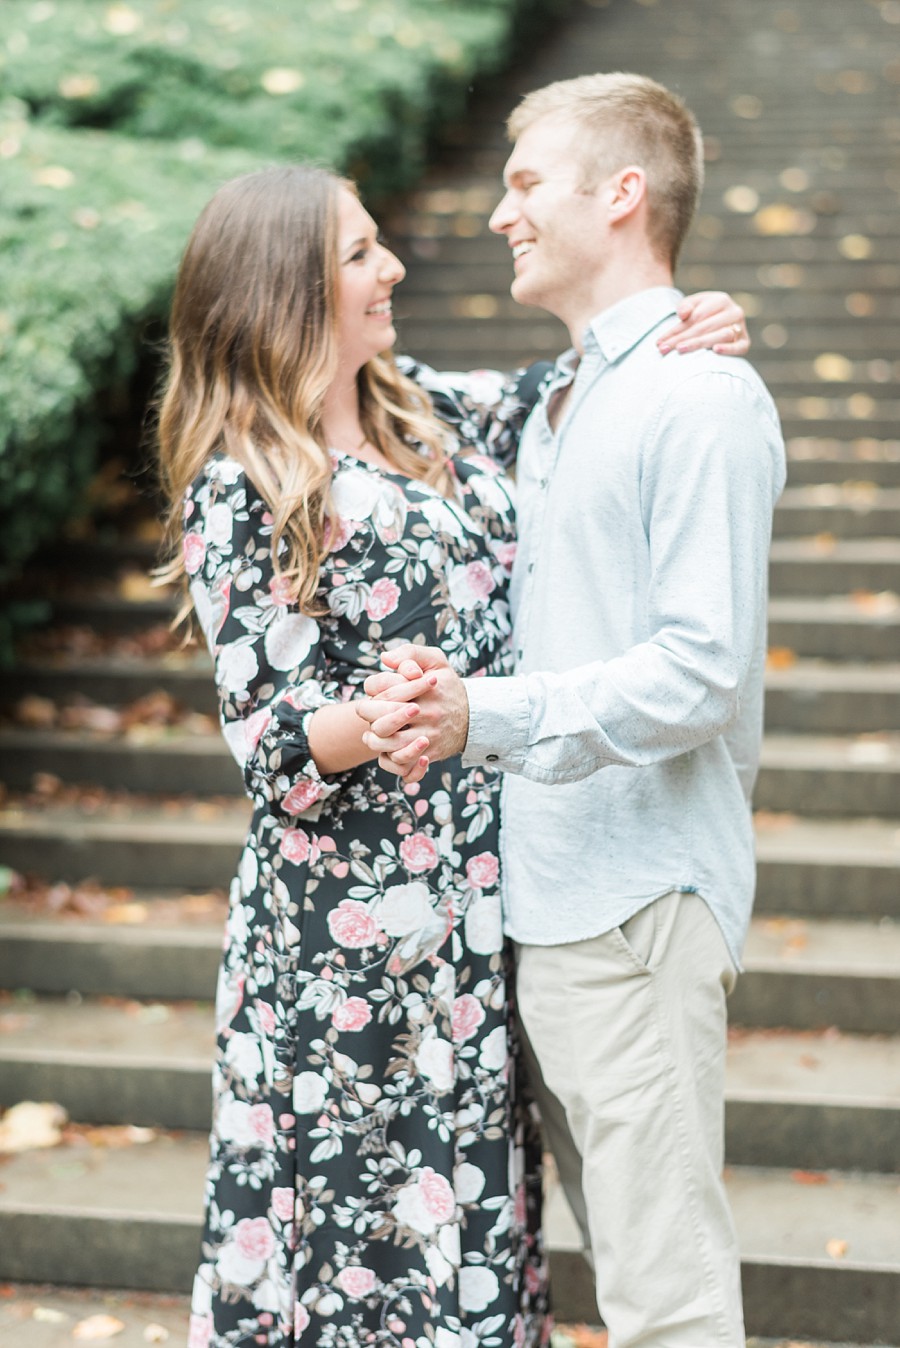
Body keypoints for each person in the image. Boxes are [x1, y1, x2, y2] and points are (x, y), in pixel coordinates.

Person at [156, 162, 749, 1348]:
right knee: (360, 1245)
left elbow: (577, 380)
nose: (394, 268)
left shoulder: (422, 407)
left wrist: (694, 320)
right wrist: (398, 711)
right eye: (364, 252)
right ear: (293, 287)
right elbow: (272, 747)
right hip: (345, 944)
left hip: (479, 903)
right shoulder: (245, 483)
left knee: (464, 1239)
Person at [358, 73, 786, 1348]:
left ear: (622, 193)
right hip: (552, 902)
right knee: (629, 1276)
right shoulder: (561, 400)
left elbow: (705, 670)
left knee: (667, 1298)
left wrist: (483, 713)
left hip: (638, 902)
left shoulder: (696, 393)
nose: (500, 213)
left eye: (527, 182)